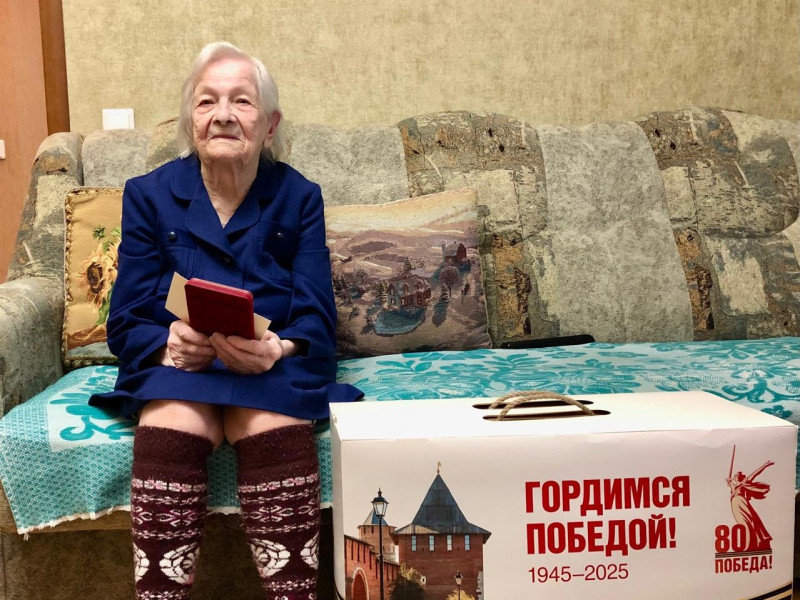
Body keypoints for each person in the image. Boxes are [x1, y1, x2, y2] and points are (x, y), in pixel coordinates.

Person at [90, 41, 362, 600]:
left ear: (269, 124)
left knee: (269, 422)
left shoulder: (300, 196)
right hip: (179, 368)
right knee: (171, 424)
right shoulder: (147, 195)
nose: (222, 114)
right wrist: (168, 343)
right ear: (190, 120)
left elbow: (317, 314)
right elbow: (126, 318)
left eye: (242, 100)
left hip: (268, 366)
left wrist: (278, 349)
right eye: (206, 101)